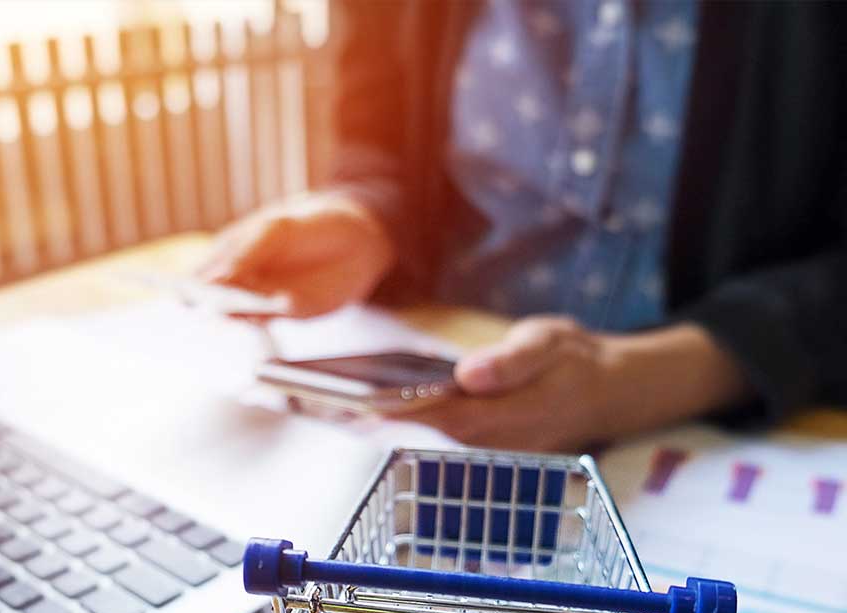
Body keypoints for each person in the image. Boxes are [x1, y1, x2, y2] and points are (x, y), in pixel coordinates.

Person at [199, 1, 846, 451]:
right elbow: (378, 123)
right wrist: (367, 216)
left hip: (738, 432)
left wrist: (641, 381)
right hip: (431, 409)